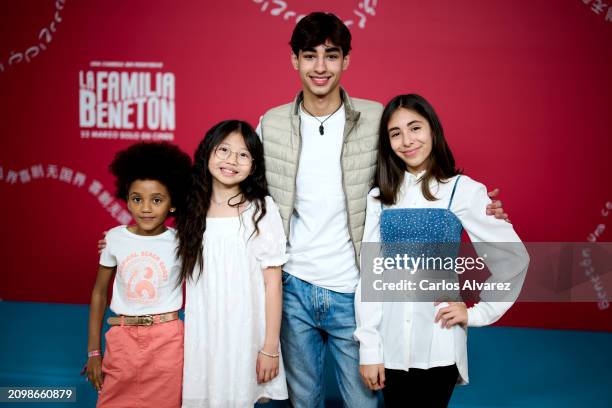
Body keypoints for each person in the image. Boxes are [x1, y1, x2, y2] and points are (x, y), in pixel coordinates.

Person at [257, 12, 508, 407]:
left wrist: (480, 207)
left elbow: (419, 168)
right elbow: (252, 194)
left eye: (331, 55)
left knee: (364, 401)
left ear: (347, 60)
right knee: (302, 401)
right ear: (294, 60)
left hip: (353, 283)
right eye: (309, 56)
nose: (320, 67)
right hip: (294, 287)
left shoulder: (376, 118)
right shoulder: (269, 125)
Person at [354, 94, 529, 407]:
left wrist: (477, 312)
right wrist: (369, 347)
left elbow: (513, 259)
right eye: (396, 133)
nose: (407, 140)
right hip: (390, 346)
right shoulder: (380, 196)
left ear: (433, 130)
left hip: (438, 344)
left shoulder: (464, 190)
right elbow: (371, 275)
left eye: (415, 128)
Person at [176, 120, 288, 408]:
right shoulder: (191, 209)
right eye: (223, 150)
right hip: (203, 334)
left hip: (244, 333)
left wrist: (270, 347)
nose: (231, 160)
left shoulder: (261, 210)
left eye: (243, 155)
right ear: (208, 153)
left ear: (254, 164)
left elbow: (273, 284)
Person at [86, 142, 192, 408]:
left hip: (167, 341)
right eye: (137, 198)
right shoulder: (114, 238)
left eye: (156, 200)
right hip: (121, 339)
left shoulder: (183, 242)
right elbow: (99, 293)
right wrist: (94, 352)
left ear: (172, 204)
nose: (145, 208)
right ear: (126, 197)